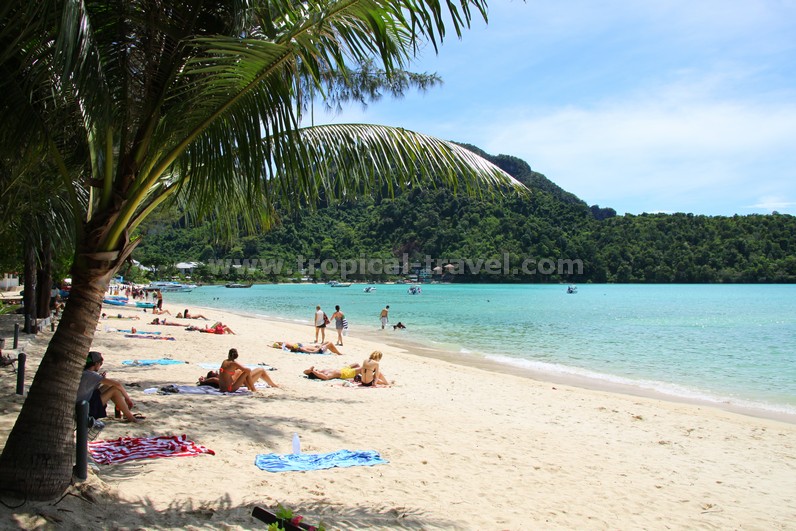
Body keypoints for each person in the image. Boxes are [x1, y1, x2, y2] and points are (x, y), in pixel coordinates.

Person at [76, 351, 143, 422]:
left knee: (109, 385)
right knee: (114, 390)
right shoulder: (91, 375)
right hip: (85, 409)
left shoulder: (84, 372)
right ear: (96, 364)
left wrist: (100, 379)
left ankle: (121, 409)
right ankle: (131, 418)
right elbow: (118, 384)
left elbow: (88, 388)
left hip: (84, 403)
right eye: (100, 364)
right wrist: (127, 399)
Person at [272, 341, 342, 355]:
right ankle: (339, 353)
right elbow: (310, 352)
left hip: (317, 348)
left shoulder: (298, 348)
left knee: (327, 342)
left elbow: (284, 345)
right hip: (319, 351)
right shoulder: (301, 349)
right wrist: (317, 349)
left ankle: (338, 353)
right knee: (330, 343)